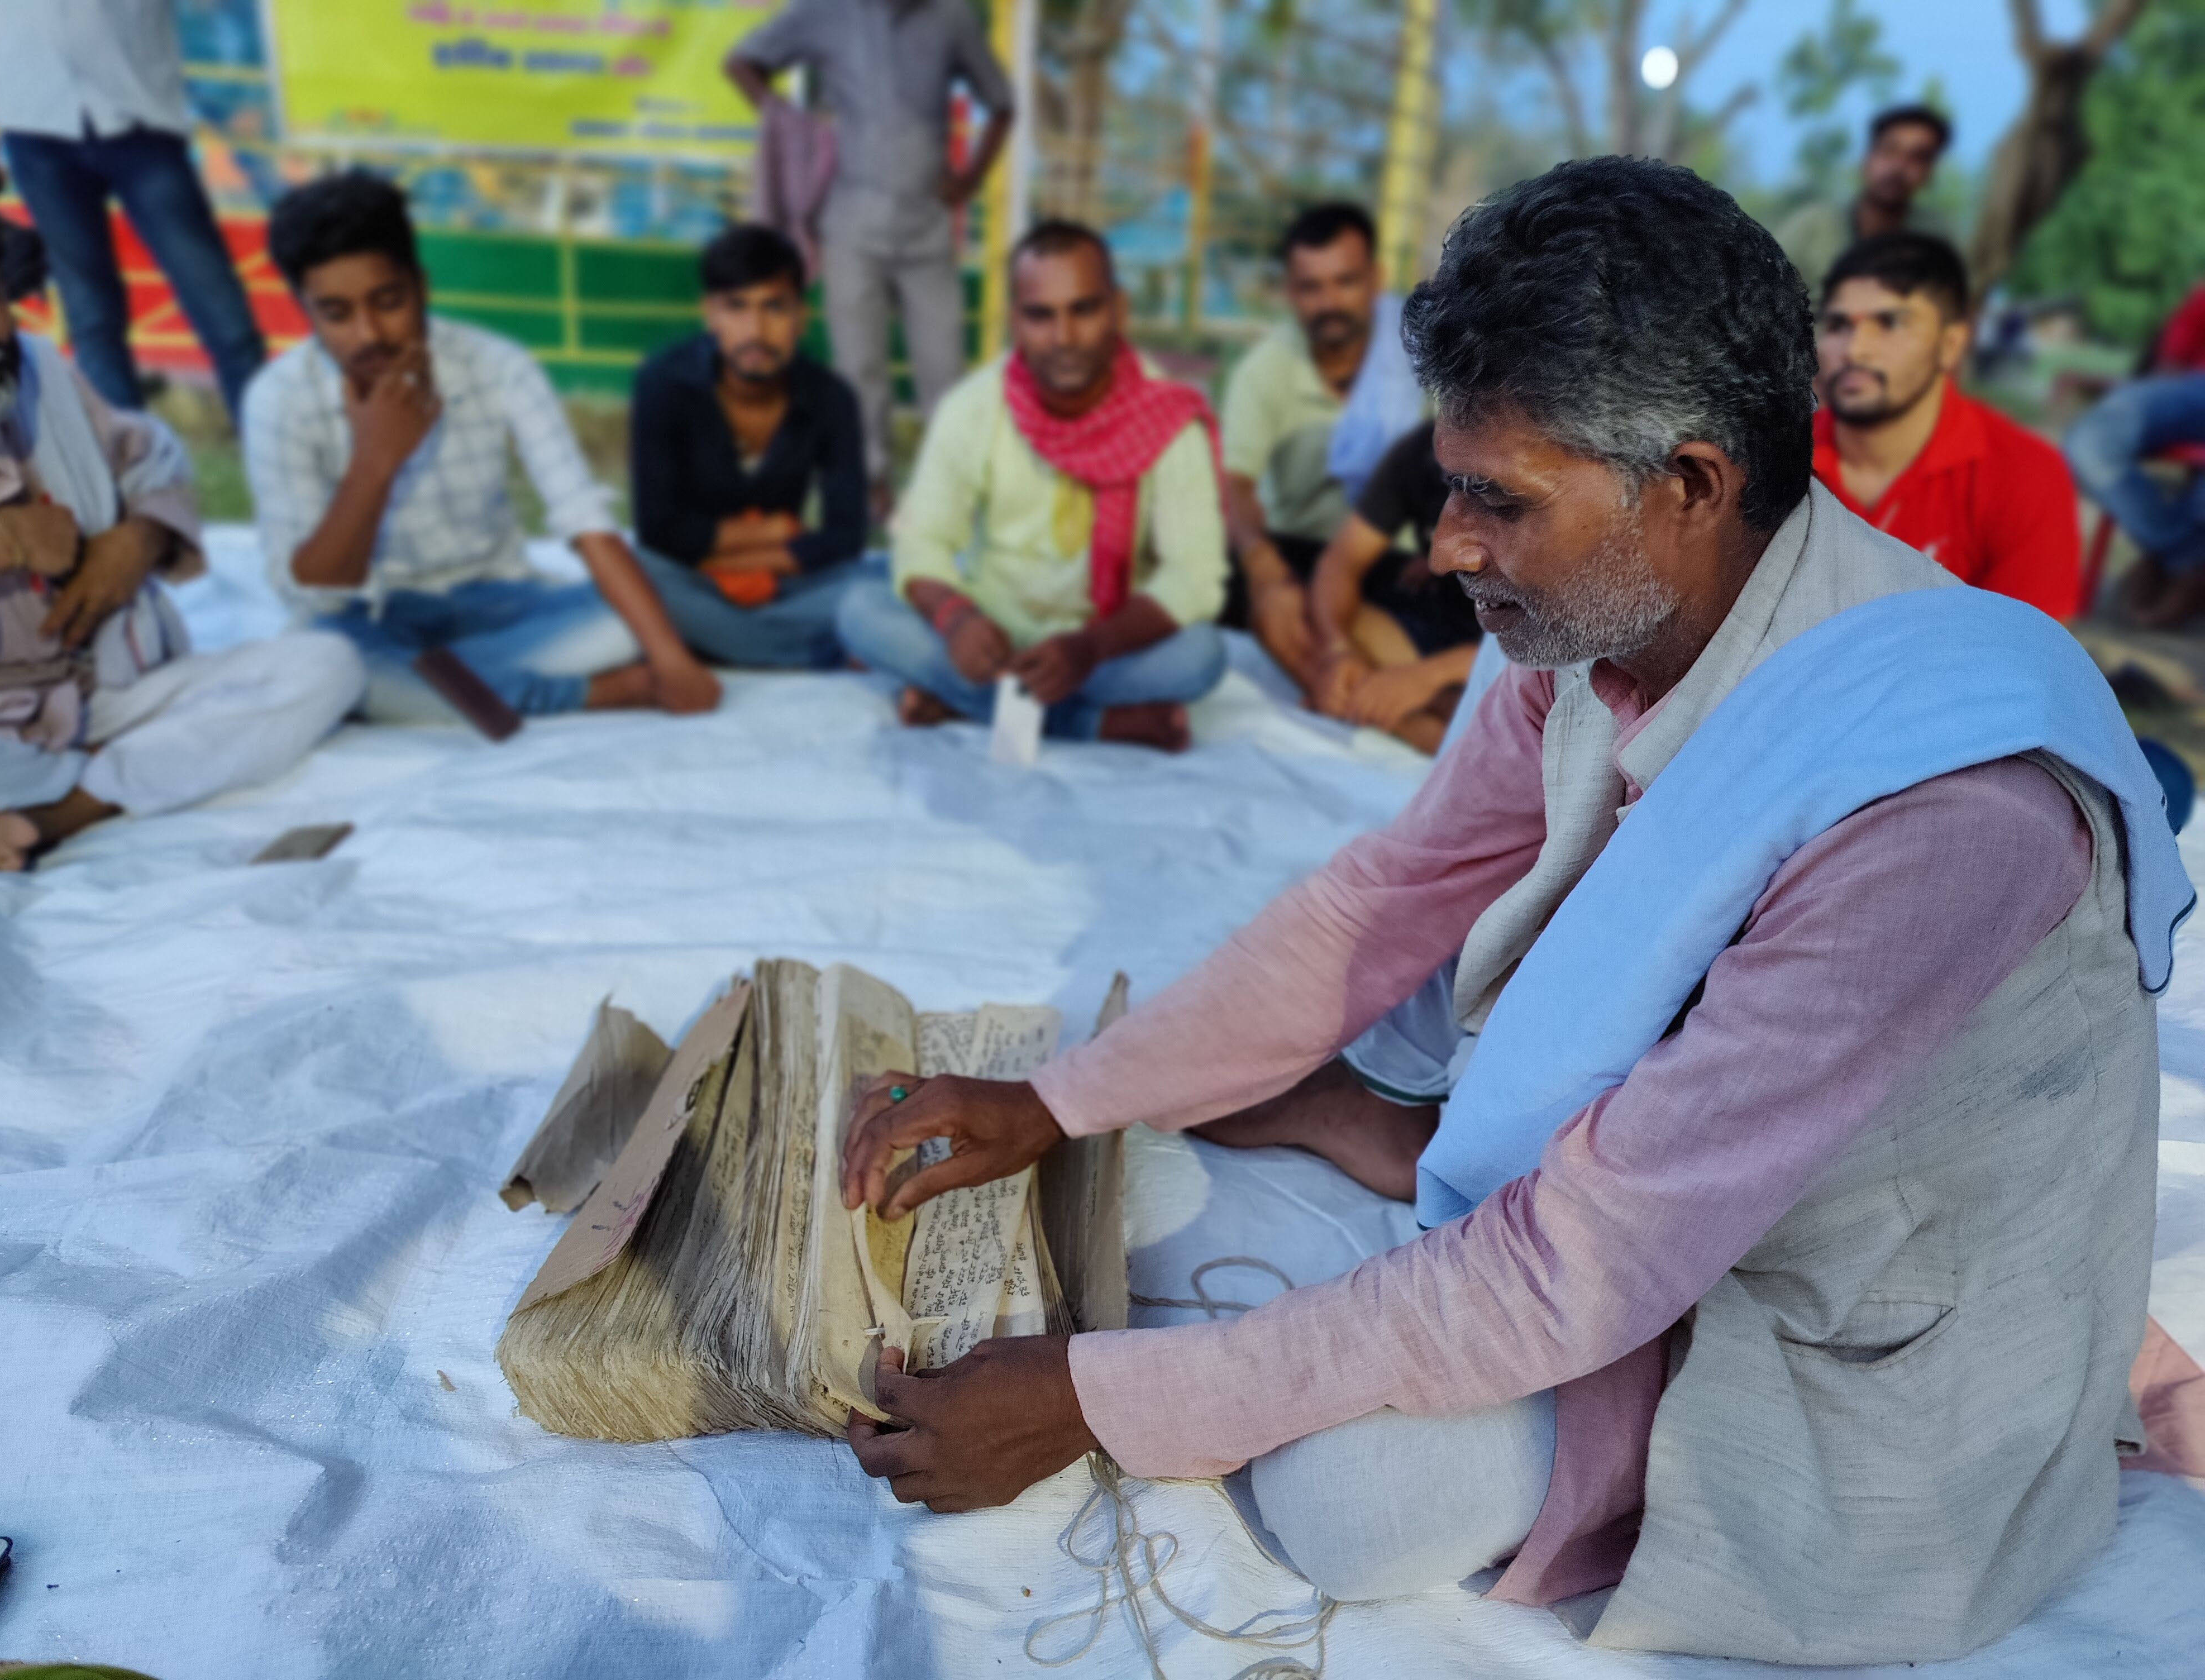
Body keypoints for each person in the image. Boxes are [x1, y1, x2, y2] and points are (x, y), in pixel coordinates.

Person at [831, 159, 2183, 1667]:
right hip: (1660, 1187)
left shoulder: (1946, 807)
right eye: (1448, 484)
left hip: (1847, 1312)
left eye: (1497, 501)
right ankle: (1390, 1137)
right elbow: (1395, 887)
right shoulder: (1594, 608)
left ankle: (1390, 1141)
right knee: (1155, 1156)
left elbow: (1583, 1266)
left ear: (1688, 483)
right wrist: (1051, 1100)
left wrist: (1094, 1400)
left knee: (1353, 1498)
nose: (1446, 547)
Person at [241, 172, 717, 726]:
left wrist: (671, 658)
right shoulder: (277, 398)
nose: (368, 334)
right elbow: (319, 596)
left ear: (421, 286)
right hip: (370, 617)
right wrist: (376, 460)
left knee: (649, 606)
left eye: (388, 301)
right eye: (337, 314)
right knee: (327, 661)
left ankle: (439, 688)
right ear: (306, 309)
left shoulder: (499, 366)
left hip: (503, 604)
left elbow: (585, 520)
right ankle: (594, 692)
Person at [0, 204, 359, 872]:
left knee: (324, 664)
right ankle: (97, 783)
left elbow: (153, 459)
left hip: (96, 697)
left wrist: (140, 539)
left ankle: (68, 809)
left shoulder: (36, 369)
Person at [835, 221, 1226, 752]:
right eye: (1041, 315)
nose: (1063, 337)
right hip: (991, 638)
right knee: (858, 609)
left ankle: (964, 706)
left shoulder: (1168, 417)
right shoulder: (973, 406)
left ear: (1118, 309)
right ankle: (1092, 726)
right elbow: (922, 541)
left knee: (1203, 655)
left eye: (1083, 310)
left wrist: (1087, 649)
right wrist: (957, 622)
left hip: (1105, 646)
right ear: (1015, 319)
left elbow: (1196, 576)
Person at [725, 0, 1014, 505]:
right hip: (849, 223)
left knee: (945, 368)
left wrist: (969, 181)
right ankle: (870, 492)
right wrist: (794, 131)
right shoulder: (826, 11)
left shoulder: (952, 18)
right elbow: (743, 61)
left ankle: (950, 495)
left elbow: (1002, 102)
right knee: (858, 370)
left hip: (927, 226)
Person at [0, 3, 266, 423]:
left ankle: (274, 449)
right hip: (37, 127)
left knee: (217, 303)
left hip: (140, 119)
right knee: (90, 315)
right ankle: (127, 468)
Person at [630, 223, 868, 670]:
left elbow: (846, 536)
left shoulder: (833, 398)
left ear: (801, 316)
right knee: (636, 573)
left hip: (788, 585)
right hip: (692, 581)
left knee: (877, 584)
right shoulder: (662, 383)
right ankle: (807, 651)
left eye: (774, 307)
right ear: (710, 315)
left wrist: (753, 566)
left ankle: (713, 645)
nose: (755, 330)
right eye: (736, 307)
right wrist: (774, 531)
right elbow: (658, 530)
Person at [1812, 232, 2082, 618]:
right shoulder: (1771, 457)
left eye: (1889, 323)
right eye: (1838, 325)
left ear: (1951, 345)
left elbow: (2026, 659)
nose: (1855, 349)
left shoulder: (2027, 473)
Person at [1222, 202, 1417, 688]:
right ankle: (1346, 694)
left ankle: (1391, 699)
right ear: (1291, 292)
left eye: (1345, 282)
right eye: (1311, 287)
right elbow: (1233, 483)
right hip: (1302, 554)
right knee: (1237, 577)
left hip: (1401, 561)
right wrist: (1263, 567)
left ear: (1375, 278)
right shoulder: (1266, 369)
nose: (1329, 302)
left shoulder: (1417, 357)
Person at [1306, 419, 1480, 752]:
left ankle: (1428, 728)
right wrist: (1337, 649)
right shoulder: (1421, 449)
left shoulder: (1552, 460)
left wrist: (1429, 677)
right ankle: (1393, 713)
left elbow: (1564, 646)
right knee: (1303, 614)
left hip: (1512, 657)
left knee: (1511, 698)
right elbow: (1342, 561)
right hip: (1441, 625)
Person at [2065, 276, 2205, 627]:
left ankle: (2177, 559)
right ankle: (2184, 553)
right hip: (2190, 388)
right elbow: (2172, 360)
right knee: (2090, 444)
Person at [1774, 103, 1951, 294]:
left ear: (1930, 173)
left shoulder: (1936, 242)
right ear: (1867, 158)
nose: (1899, 167)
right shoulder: (1812, 226)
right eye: (1889, 150)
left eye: (1917, 158)